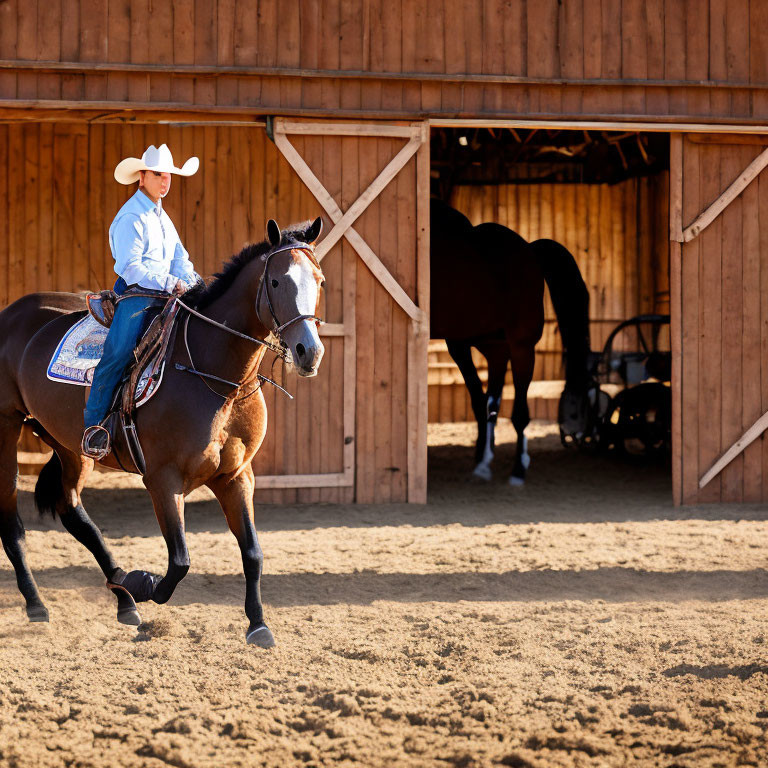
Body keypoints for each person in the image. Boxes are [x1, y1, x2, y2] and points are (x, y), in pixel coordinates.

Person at [81, 144, 200, 459]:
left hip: (167, 293)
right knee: (118, 353)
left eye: (169, 176)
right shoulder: (131, 216)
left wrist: (196, 283)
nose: (166, 181)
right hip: (138, 294)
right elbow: (130, 267)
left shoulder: (162, 217)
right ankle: (94, 427)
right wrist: (169, 282)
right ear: (142, 176)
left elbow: (180, 260)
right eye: (159, 174)